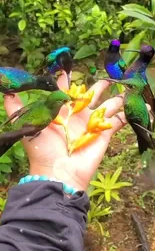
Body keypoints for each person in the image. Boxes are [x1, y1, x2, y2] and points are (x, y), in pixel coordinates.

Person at [0, 72, 126, 251]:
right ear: (55, 104)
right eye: (63, 102)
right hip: (24, 127)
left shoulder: (44, 105)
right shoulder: (46, 117)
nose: (66, 104)